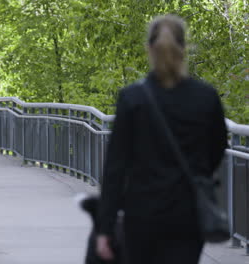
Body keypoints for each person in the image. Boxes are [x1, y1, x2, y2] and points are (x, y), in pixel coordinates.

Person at [95, 15, 228, 264]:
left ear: (149, 49)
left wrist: (105, 227)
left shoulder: (132, 98)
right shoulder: (206, 97)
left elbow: (115, 167)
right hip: (187, 213)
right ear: (184, 49)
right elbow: (217, 148)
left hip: (142, 213)